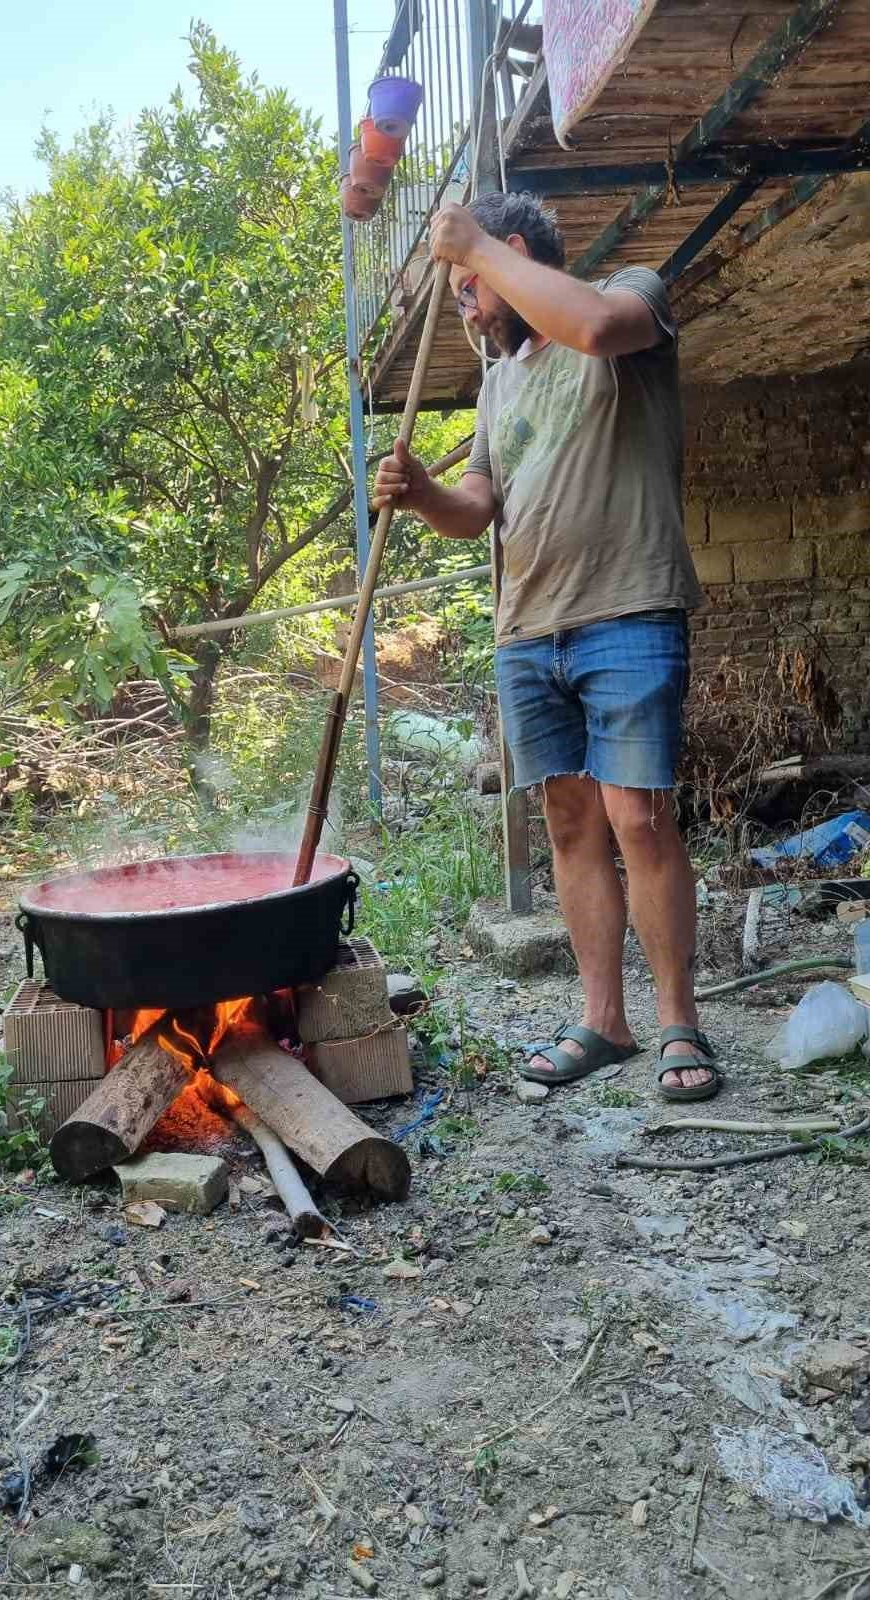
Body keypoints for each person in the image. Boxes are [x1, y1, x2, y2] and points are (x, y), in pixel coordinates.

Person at [373, 191, 721, 1102]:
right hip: (528, 630)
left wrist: (474, 246)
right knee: (570, 825)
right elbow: (477, 508)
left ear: (515, 251)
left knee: (639, 819)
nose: (466, 306)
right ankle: (604, 1020)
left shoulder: (629, 295)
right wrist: (421, 494)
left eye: (468, 288)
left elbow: (597, 328)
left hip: (629, 609)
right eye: (461, 290)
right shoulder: (498, 384)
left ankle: (679, 1022)